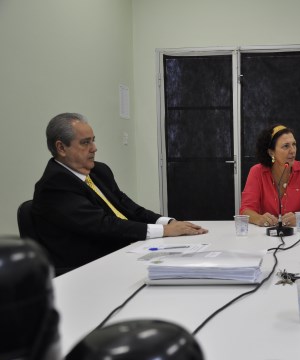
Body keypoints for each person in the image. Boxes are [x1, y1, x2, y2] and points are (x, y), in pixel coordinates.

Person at [32, 113, 207, 275]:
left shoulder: (99, 171)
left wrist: (168, 222)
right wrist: (164, 231)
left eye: (93, 141)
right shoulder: (54, 185)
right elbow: (103, 225)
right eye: (85, 142)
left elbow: (128, 207)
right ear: (61, 148)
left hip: (122, 253)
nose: (94, 148)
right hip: (85, 269)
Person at [240, 124, 300, 227]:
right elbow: (246, 210)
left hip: (298, 235)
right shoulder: (257, 172)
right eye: (286, 146)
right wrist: (259, 218)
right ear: (271, 153)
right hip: (265, 236)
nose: (293, 151)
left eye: (294, 144)